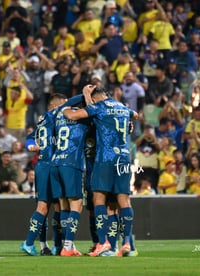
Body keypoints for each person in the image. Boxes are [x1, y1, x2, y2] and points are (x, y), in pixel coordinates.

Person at [63, 85, 138, 257]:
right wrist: (129, 121)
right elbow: (135, 114)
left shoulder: (99, 107)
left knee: (99, 199)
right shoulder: (122, 107)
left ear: (96, 98)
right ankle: (127, 244)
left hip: (106, 158)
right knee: (123, 200)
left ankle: (102, 243)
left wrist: (65, 107)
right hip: (125, 158)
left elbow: (73, 115)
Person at [21, 93, 83, 256]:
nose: (67, 107)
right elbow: (71, 101)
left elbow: (29, 138)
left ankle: (56, 245)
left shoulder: (44, 119)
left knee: (57, 205)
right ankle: (31, 243)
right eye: (64, 104)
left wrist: (30, 146)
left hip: (45, 164)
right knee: (46, 206)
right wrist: (86, 92)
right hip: (51, 164)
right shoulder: (56, 113)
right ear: (57, 105)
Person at [50, 94, 91, 256]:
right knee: (77, 205)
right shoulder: (81, 117)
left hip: (56, 162)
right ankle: (67, 246)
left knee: (64, 205)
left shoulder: (58, 115)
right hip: (71, 163)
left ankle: (67, 245)